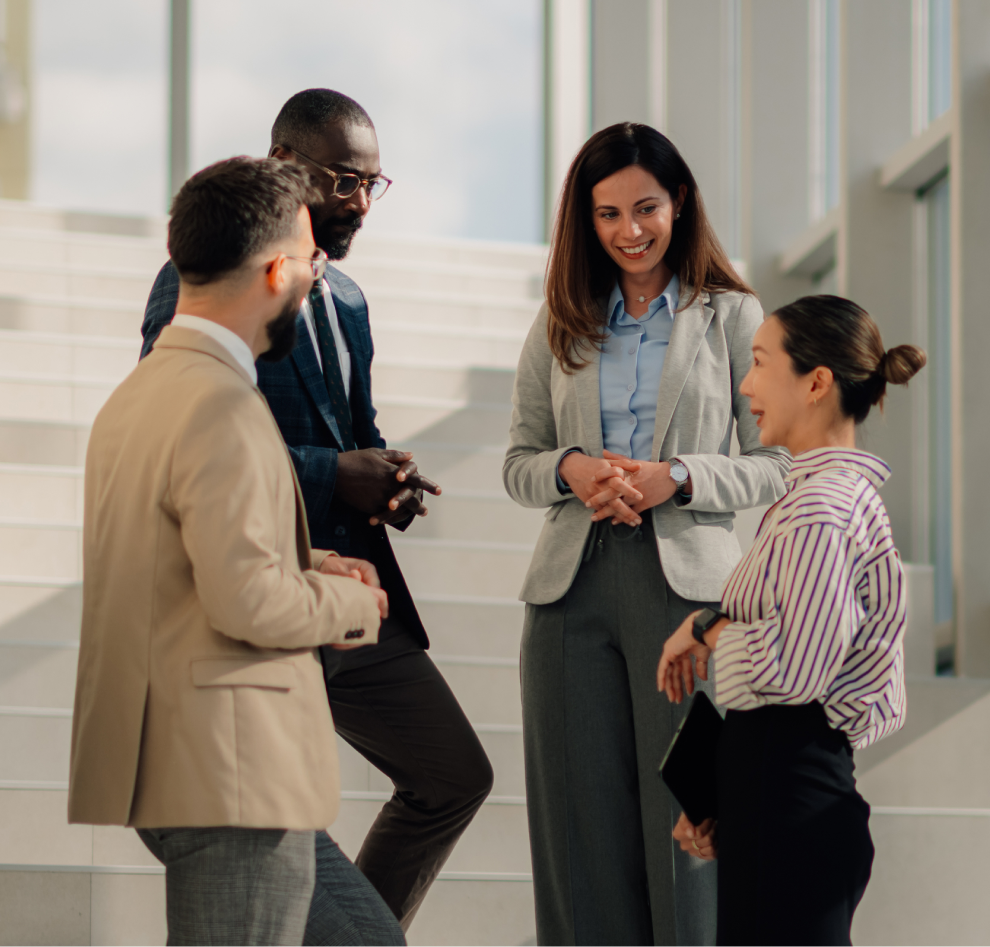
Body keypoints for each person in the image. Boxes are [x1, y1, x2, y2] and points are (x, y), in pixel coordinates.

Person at [139, 89, 493, 930]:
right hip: (262, 587)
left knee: (453, 776)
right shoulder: (208, 275)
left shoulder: (353, 303)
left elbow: (356, 430)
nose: (361, 204)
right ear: (286, 165)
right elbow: (183, 429)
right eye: (343, 181)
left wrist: (389, 479)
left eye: (374, 183)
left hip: (356, 596)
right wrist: (335, 474)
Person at [69, 157, 405, 947]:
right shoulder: (222, 403)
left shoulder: (142, 394)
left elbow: (178, 546)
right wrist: (357, 601)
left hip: (191, 758)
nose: (314, 275)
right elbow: (246, 600)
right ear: (279, 268)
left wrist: (313, 560)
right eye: (309, 260)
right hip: (230, 768)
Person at [503, 122, 789, 947]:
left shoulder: (732, 317)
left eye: (646, 208)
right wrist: (571, 471)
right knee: (576, 837)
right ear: (583, 221)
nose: (628, 230)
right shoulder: (560, 319)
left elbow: (775, 462)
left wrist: (682, 476)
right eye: (606, 214)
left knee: (690, 826)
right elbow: (519, 461)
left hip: (689, 597)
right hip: (568, 596)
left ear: (681, 203)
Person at [658, 294, 925, 947]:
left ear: (816, 382)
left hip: (789, 797)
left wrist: (709, 632)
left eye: (758, 362)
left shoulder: (821, 509)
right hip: (785, 787)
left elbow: (794, 669)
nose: (745, 384)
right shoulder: (825, 499)